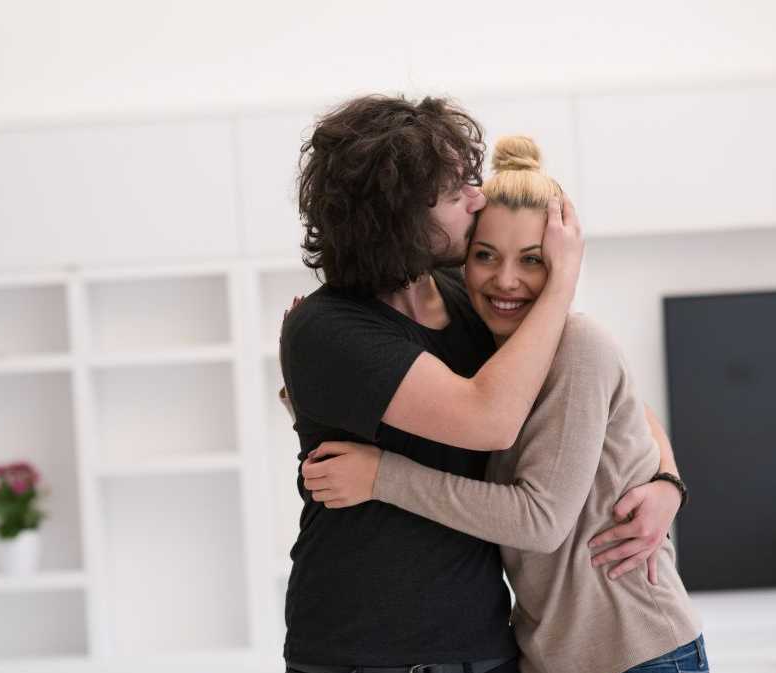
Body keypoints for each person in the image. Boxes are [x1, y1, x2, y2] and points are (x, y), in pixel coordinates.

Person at [278, 95, 686, 673]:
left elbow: (604, 393)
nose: (477, 196)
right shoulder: (330, 327)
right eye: (454, 193)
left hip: (486, 646)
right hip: (364, 649)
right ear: (398, 220)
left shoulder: (471, 291)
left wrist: (667, 481)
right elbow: (488, 419)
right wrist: (563, 279)